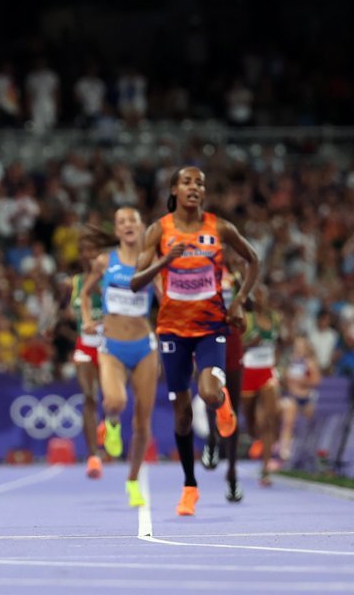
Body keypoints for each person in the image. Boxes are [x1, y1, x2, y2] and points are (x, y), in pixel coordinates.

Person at [131, 166, 259, 516]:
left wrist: (237, 301)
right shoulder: (159, 230)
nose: (194, 187)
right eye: (186, 182)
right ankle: (190, 487)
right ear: (174, 189)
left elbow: (253, 260)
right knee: (183, 417)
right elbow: (135, 283)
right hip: (172, 331)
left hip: (210, 327)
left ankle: (223, 401)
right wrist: (164, 263)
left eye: (200, 183)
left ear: (204, 192)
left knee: (209, 393)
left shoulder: (220, 227)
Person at [80, 208, 160, 507]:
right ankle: (110, 422)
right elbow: (85, 294)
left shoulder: (150, 262)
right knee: (115, 402)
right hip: (112, 344)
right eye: (122, 222)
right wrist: (88, 318)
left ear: (142, 228)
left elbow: (165, 299)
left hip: (144, 346)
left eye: (133, 221)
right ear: (117, 231)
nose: (128, 225)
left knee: (142, 421)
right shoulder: (104, 261)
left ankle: (133, 481)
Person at [200, 257, 246, 502]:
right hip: (208, 339)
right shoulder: (198, 270)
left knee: (232, 410)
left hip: (233, 343)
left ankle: (232, 474)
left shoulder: (236, 276)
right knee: (211, 394)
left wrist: (242, 286)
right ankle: (211, 437)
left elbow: (251, 308)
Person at [66, 230, 103, 479]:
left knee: (111, 399)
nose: (89, 256)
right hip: (85, 345)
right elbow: (72, 312)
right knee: (89, 397)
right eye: (85, 251)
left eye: (94, 251)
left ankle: (107, 425)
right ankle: (93, 457)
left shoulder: (111, 279)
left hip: (111, 345)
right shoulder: (76, 282)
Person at [239, 283, 282, 486]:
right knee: (253, 425)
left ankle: (265, 469)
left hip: (266, 371)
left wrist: (277, 361)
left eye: (263, 295)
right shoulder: (247, 319)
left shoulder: (274, 318)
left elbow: (279, 343)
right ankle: (254, 436)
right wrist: (249, 344)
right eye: (256, 296)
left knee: (269, 418)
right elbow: (235, 347)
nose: (260, 299)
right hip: (248, 373)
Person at [278, 333, 321, 464]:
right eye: (297, 345)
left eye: (302, 345)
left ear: (307, 347)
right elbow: (283, 378)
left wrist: (301, 381)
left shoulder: (310, 362)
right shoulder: (289, 360)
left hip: (306, 397)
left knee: (310, 420)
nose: (299, 348)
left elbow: (316, 380)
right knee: (288, 419)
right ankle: (284, 451)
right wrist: (287, 379)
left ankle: (310, 450)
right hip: (291, 396)